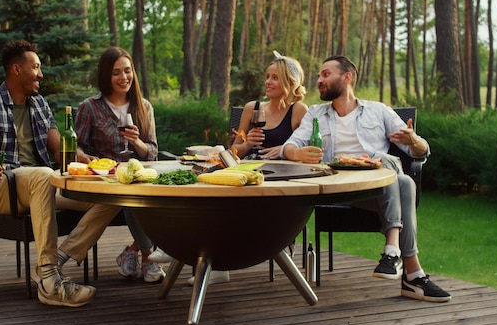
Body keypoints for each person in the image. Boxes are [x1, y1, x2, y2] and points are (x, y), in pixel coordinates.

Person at [0, 40, 121, 307]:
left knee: (108, 194)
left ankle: (56, 261)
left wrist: (83, 158)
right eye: (35, 67)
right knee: (43, 174)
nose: (41, 74)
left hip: (41, 187)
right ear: (16, 70)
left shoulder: (40, 104)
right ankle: (49, 283)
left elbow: (59, 150)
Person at [281, 55, 451, 302]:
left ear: (347, 77)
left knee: (393, 172)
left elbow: (421, 151)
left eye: (326, 74)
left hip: (377, 187)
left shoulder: (379, 111)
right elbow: (289, 146)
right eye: (319, 75)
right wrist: (297, 153)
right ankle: (410, 272)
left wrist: (413, 139)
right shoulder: (316, 114)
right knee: (398, 177)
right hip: (341, 189)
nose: (319, 80)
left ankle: (397, 257)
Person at [189, 50, 309, 286]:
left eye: (275, 77)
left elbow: (304, 150)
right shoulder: (252, 108)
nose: (268, 82)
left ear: (290, 82)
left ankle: (278, 245)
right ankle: (206, 259)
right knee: (211, 192)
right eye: (267, 76)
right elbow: (234, 152)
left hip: (279, 175)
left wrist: (283, 149)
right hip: (245, 169)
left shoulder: (299, 111)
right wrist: (247, 144)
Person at [72, 46, 166, 283]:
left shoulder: (144, 106)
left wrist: (136, 142)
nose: (123, 77)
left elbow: (152, 152)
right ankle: (149, 256)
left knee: (154, 196)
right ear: (106, 75)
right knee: (130, 196)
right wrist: (84, 157)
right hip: (107, 182)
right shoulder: (89, 107)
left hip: (141, 177)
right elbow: (77, 146)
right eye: (116, 73)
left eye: (127, 71)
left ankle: (132, 252)